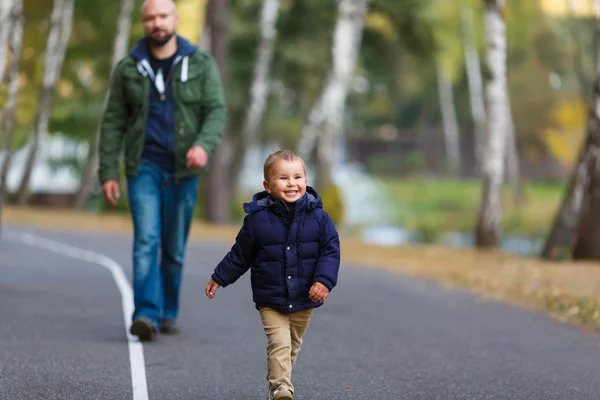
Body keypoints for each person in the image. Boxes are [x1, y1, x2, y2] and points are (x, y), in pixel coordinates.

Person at [98, 0, 226, 341]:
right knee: (146, 240)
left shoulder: (200, 63)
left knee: (173, 247)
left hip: (185, 171)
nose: (157, 23)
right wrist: (108, 171)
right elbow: (112, 122)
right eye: (150, 17)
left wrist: (203, 145)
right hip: (144, 167)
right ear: (143, 23)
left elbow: (216, 111)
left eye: (163, 16)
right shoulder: (128, 68)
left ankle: (168, 310)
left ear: (175, 19)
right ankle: (146, 313)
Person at [205, 149, 341, 400]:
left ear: (306, 181)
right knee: (279, 343)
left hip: (305, 295)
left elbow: (330, 252)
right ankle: (281, 388)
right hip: (271, 297)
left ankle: (278, 385)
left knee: (292, 345)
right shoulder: (257, 221)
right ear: (267, 186)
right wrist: (219, 277)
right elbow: (240, 254)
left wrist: (323, 281)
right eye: (283, 178)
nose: (292, 183)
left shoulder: (320, 219)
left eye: (297, 177)